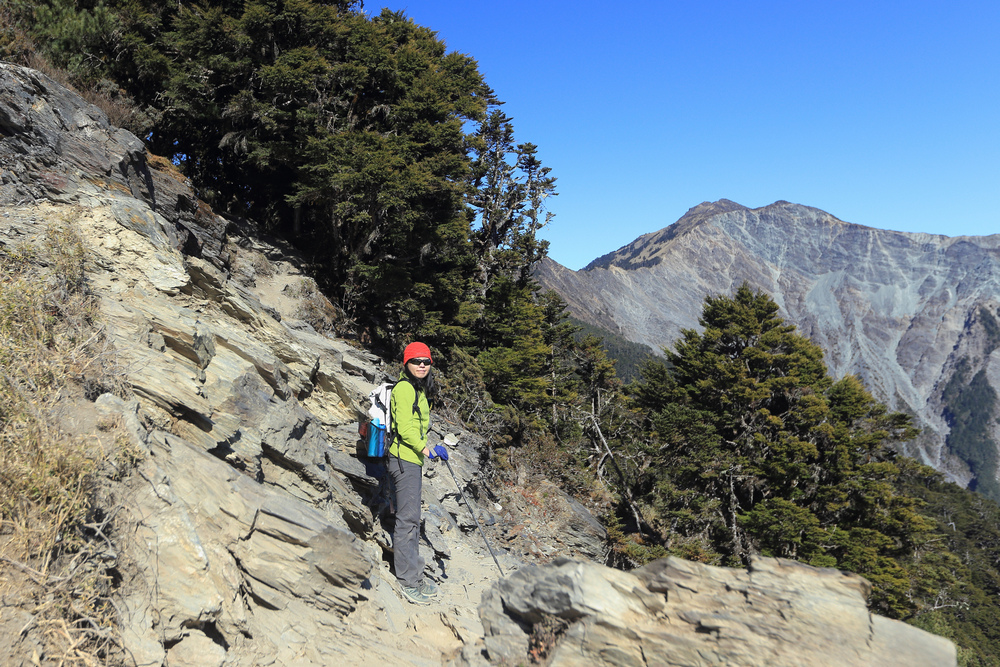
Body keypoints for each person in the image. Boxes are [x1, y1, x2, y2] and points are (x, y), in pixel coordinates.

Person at [388, 341, 439, 605]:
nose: (421, 365)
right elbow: (406, 428)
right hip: (404, 459)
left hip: (411, 460)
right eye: (416, 361)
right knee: (407, 521)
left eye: (426, 362)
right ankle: (407, 581)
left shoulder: (417, 388)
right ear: (406, 363)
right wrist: (427, 450)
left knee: (412, 519)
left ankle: (415, 576)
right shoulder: (405, 388)